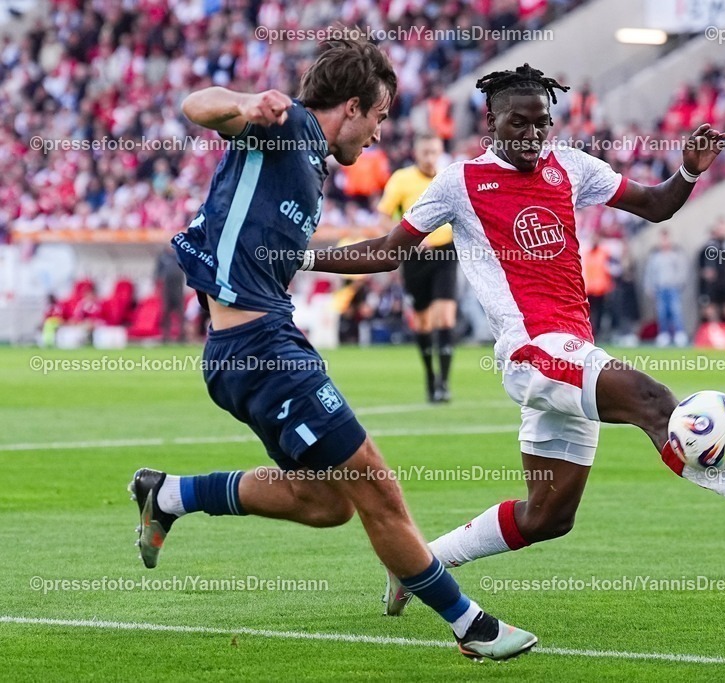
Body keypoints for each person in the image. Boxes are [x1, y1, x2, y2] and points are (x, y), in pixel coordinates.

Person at [301, 64, 725, 615]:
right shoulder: (460, 183)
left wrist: (687, 172)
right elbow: (388, 249)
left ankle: (415, 566)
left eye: (543, 124)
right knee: (654, 402)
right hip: (531, 351)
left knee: (548, 518)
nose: (533, 135)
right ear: (490, 122)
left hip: (573, 351)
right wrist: (300, 257)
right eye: (519, 123)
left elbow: (655, 206)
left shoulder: (570, 165)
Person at [127, 40, 535, 662]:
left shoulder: (313, 162)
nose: (379, 132)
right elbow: (198, 105)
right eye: (378, 115)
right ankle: (470, 625)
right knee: (375, 485)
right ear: (352, 106)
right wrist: (243, 102)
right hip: (259, 348)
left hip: (254, 344)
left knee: (324, 503)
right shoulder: (286, 124)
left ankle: (170, 495)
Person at [377, 133, 459, 402]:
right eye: (425, 153)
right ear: (416, 153)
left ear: (440, 152)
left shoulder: (449, 177)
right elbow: (383, 214)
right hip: (413, 256)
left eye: (434, 152)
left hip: (445, 251)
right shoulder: (401, 179)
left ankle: (444, 384)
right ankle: (430, 377)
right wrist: (400, 242)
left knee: (445, 316)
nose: (430, 158)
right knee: (423, 321)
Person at [645, 230, 688, 346]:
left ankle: (679, 333)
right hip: (660, 288)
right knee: (662, 313)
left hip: (673, 287)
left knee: (676, 311)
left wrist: (679, 283)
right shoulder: (655, 256)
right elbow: (650, 273)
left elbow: (681, 270)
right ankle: (664, 333)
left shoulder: (675, 254)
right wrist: (649, 287)